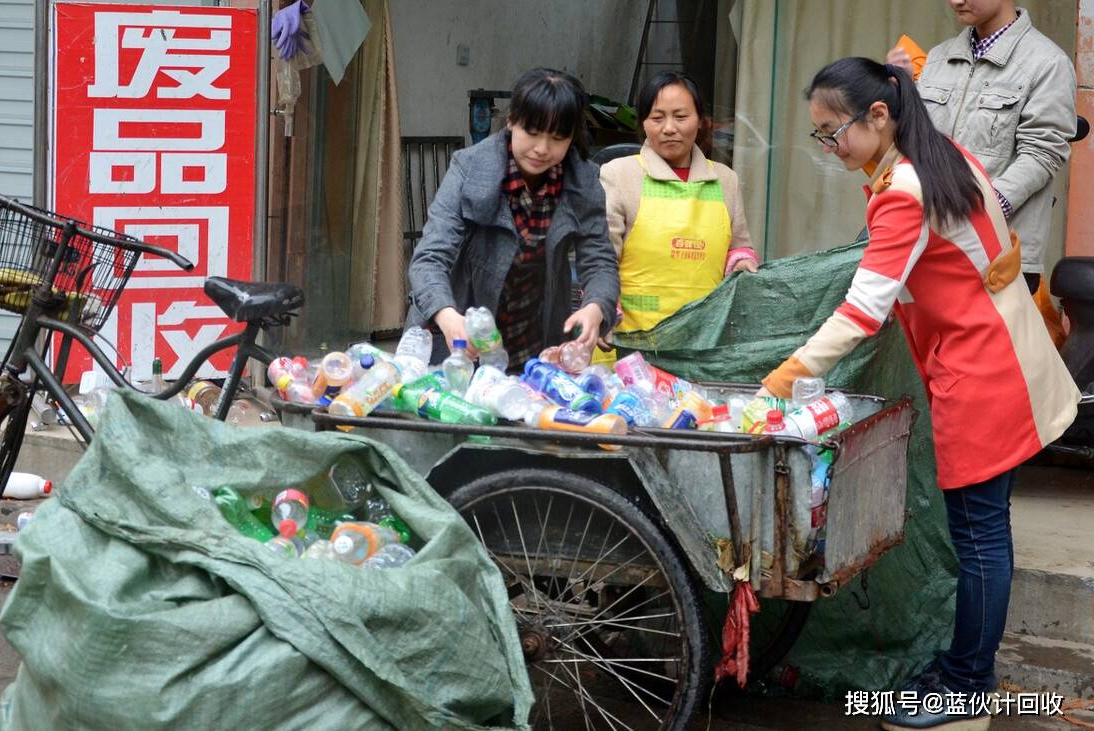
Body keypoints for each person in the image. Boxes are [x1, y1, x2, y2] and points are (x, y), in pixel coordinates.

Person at [760, 57, 1078, 731]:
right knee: (983, 528)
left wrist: (787, 372)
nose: (828, 146)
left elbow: (863, 309)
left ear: (879, 116)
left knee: (980, 533)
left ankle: (967, 689)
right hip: (1000, 352)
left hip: (983, 372)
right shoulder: (941, 155)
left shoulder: (904, 188)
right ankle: (966, 668)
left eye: (831, 131)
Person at [887, 0, 1076, 294]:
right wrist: (899, 94)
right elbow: (916, 144)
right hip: (930, 244)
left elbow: (1043, 152)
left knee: (987, 353)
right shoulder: (939, 58)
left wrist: (982, 208)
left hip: (999, 252)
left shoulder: (1047, 63)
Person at [405, 68, 619, 368]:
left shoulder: (583, 182)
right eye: (532, 133)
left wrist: (597, 306)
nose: (542, 149)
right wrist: (447, 314)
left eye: (558, 138)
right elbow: (429, 259)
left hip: (534, 340)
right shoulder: (468, 168)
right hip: (456, 342)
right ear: (511, 120)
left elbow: (600, 262)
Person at [598, 71, 758, 336]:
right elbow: (603, 258)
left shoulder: (725, 179)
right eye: (657, 118)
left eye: (681, 117)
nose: (669, 128)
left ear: (700, 122)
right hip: (630, 340)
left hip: (702, 339)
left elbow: (739, 248)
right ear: (643, 124)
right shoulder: (618, 174)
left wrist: (741, 265)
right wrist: (603, 308)